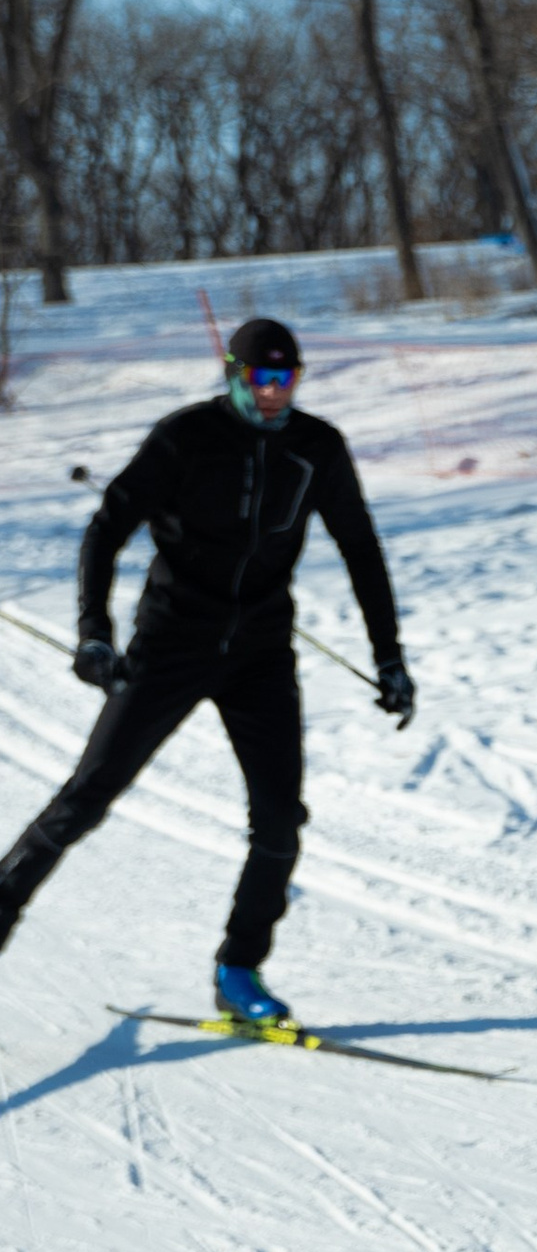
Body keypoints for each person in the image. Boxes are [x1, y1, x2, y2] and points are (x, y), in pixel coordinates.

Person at [0, 318, 415, 1018]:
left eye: (287, 379)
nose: (275, 394)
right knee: (86, 798)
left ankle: (238, 971)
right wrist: (94, 634)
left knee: (280, 819)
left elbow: (361, 549)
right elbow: (108, 528)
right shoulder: (185, 436)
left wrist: (389, 656)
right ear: (234, 373)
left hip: (259, 653)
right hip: (172, 644)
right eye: (262, 379)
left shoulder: (318, 448)